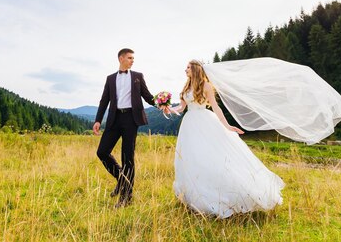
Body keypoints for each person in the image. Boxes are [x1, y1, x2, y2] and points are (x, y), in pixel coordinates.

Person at [172, 60, 285, 218]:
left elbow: (215, 106)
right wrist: (168, 108)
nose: (185, 70)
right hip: (189, 125)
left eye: (188, 68)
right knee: (192, 159)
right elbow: (181, 107)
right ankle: (194, 197)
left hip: (205, 122)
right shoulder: (186, 87)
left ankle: (223, 195)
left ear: (196, 70)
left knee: (211, 157)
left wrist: (227, 126)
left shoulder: (206, 86)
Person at [93, 48, 166, 208]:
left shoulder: (138, 77)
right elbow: (104, 100)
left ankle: (127, 196)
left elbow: (147, 97)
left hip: (130, 120)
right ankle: (121, 178)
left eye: (133, 58)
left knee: (128, 158)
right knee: (102, 152)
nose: (133, 60)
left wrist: (162, 103)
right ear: (121, 59)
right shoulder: (110, 79)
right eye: (130, 58)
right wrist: (98, 119)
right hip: (114, 118)